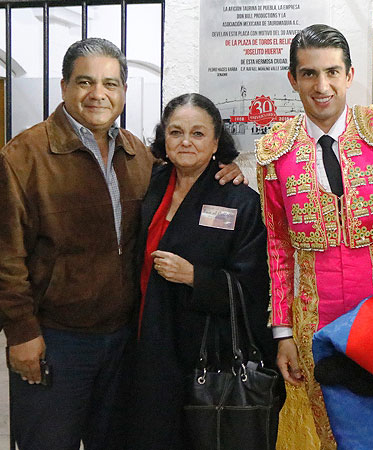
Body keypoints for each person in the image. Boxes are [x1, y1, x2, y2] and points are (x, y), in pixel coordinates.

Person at [0, 38, 244, 450]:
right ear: (64, 86)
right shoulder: (24, 157)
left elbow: (184, 172)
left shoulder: (136, 155)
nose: (98, 94)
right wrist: (22, 333)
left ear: (124, 91)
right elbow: (7, 255)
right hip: (56, 341)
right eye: (85, 82)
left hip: (125, 342)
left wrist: (225, 169)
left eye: (110, 83)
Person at [256, 24, 373, 449]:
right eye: (309, 73)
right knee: (334, 434)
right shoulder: (276, 150)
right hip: (314, 325)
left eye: (332, 72)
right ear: (293, 79)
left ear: (350, 75)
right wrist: (283, 332)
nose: (322, 86)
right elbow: (278, 245)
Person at [126, 93, 279, 449]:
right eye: (176, 132)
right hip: (146, 345)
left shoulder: (238, 200)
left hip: (206, 357)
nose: (186, 142)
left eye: (197, 133)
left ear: (215, 142)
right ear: (164, 138)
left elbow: (254, 288)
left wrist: (196, 277)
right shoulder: (149, 184)